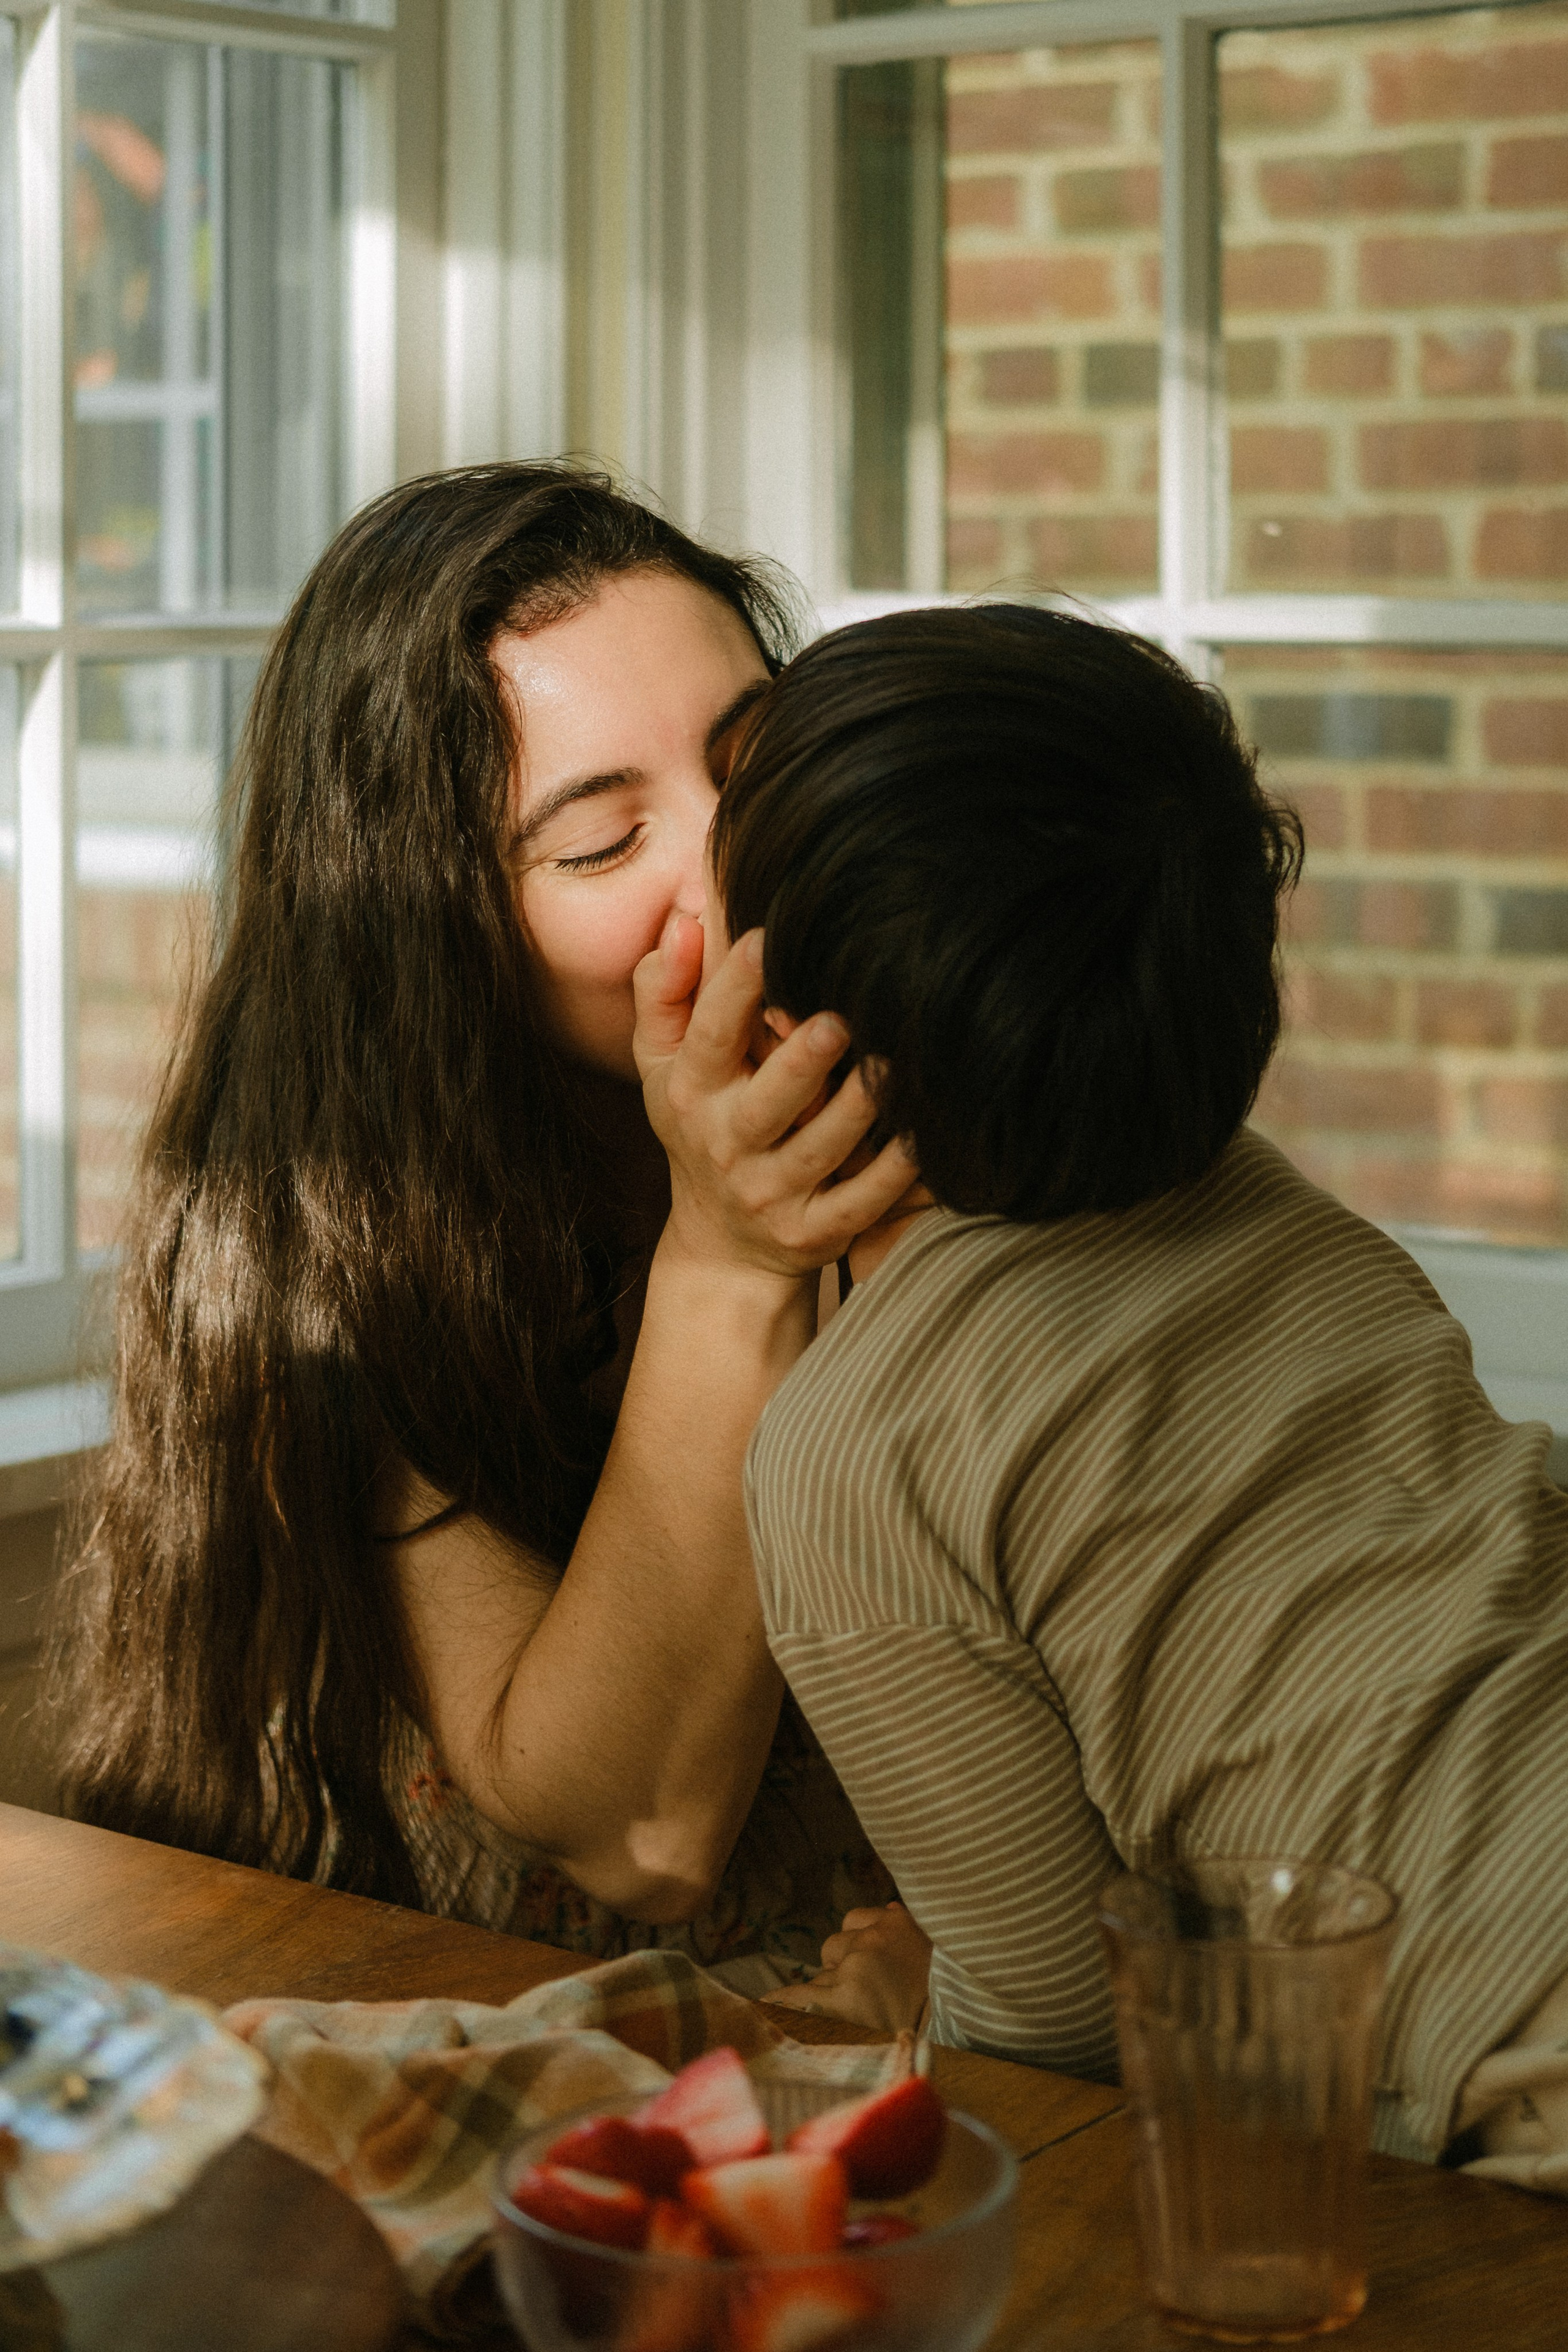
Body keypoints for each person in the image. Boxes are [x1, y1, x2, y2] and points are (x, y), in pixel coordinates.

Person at [715, 602, 1568, 2168]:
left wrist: (918, 1990)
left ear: (790, 1041)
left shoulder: (856, 1448)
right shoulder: (1294, 1226)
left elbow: (1056, 2025)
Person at [46, 464, 914, 1996]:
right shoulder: (322, 1261)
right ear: (426, 922)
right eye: (595, 843)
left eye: (755, 761)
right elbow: (635, 1831)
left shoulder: (893, 1107)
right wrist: (732, 1262)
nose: (732, 862)